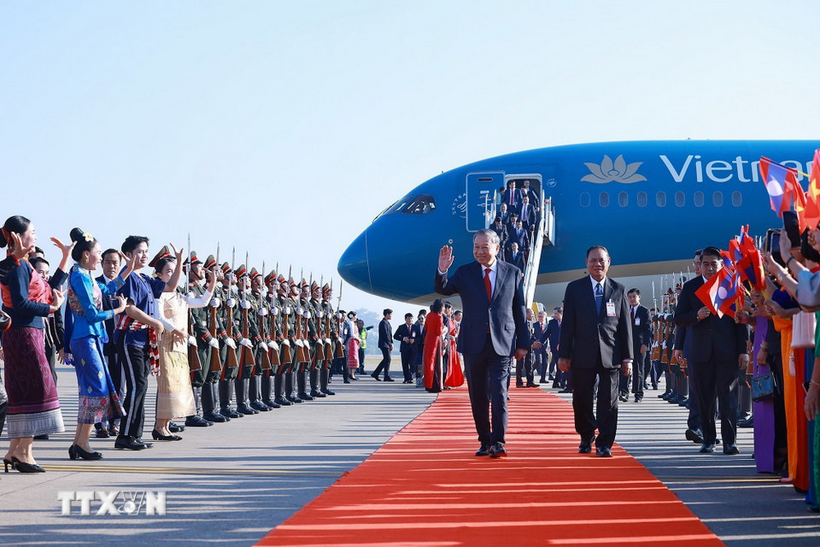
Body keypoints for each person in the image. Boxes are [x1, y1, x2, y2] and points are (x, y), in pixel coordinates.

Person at [434, 228, 528, 458]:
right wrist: (442, 270)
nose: (480, 251)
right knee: (477, 396)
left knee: (498, 393)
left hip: (503, 343)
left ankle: (499, 441)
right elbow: (443, 289)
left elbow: (520, 309)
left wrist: (523, 342)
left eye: (485, 247)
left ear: (497, 247)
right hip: (474, 343)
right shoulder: (465, 272)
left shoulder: (513, 272)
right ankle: (484, 441)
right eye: (476, 247)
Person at [0, 215, 72, 473]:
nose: (37, 236)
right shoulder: (17, 266)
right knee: (36, 390)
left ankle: (14, 451)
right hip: (23, 334)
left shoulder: (22, 265)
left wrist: (65, 258)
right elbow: (19, 304)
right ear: (19, 237)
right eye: (33, 231)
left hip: (27, 334)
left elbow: (49, 288)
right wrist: (51, 308)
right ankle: (23, 453)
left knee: (25, 392)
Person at [64, 228, 134, 460]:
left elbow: (108, 288)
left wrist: (129, 269)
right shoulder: (79, 276)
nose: (100, 257)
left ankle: (79, 443)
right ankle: (82, 443)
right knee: (95, 390)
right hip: (85, 338)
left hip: (91, 338)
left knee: (93, 390)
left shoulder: (86, 276)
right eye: (99, 253)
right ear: (86, 254)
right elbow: (93, 314)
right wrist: (118, 310)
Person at [558, 245, 633, 458]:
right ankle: (586, 435)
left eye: (601, 260)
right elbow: (568, 325)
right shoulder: (574, 288)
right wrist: (564, 354)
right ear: (586, 262)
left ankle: (605, 443)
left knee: (609, 401)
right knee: (581, 399)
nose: (597, 264)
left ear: (609, 262)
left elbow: (625, 327)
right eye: (593, 260)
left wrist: (628, 357)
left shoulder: (619, 289)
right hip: (581, 354)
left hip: (611, 355)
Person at [674, 246, 750, 455]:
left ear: (720, 264)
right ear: (700, 265)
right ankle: (708, 439)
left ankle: (730, 442)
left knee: (728, 399)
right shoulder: (690, 288)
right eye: (704, 264)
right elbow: (679, 318)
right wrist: (696, 315)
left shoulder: (730, 285)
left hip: (727, 352)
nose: (708, 268)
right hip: (700, 352)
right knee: (705, 399)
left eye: (713, 264)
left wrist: (743, 350)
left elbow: (740, 321)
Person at [113, 236, 180, 451]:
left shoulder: (142, 278)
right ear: (128, 255)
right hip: (130, 338)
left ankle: (134, 434)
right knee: (136, 386)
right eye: (140, 251)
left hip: (142, 340)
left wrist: (178, 264)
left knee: (140, 387)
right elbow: (130, 308)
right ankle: (125, 435)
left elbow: (169, 286)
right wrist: (155, 323)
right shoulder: (128, 277)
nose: (144, 255)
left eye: (146, 251)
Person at [151, 248, 215, 441]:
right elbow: (158, 317)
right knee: (167, 385)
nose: (173, 275)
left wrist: (211, 285)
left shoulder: (179, 295)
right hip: (166, 344)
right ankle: (159, 426)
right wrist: (175, 330)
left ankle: (166, 425)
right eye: (168, 271)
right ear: (159, 275)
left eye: (174, 270)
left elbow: (202, 302)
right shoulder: (158, 293)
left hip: (180, 346)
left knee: (177, 384)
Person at [621, 288, 651, 403]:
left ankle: (638, 393)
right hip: (626, 344)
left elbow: (648, 329)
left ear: (639, 297)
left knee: (639, 369)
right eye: (629, 297)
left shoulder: (644, 311)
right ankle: (624, 392)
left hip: (639, 345)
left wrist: (645, 344)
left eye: (634, 297)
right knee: (624, 368)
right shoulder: (624, 310)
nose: (632, 299)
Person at [423, 299, 447, 392]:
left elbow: (426, 328)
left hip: (428, 339)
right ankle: (435, 385)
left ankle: (428, 384)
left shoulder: (429, 315)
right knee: (436, 363)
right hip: (436, 341)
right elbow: (438, 332)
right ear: (441, 307)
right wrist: (445, 329)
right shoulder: (439, 316)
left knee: (428, 362)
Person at [372, 309, 394, 381]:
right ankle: (386, 376)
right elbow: (385, 335)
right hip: (384, 344)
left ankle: (376, 373)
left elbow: (390, 335)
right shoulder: (383, 323)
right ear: (387, 314)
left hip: (387, 344)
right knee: (388, 359)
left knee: (386, 359)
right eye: (390, 314)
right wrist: (390, 343)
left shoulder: (387, 323)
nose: (391, 316)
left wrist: (392, 342)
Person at [394, 313, 416, 383]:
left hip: (413, 348)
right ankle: (406, 378)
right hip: (405, 348)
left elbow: (419, 337)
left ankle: (410, 377)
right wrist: (403, 338)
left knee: (412, 364)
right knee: (405, 364)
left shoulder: (415, 327)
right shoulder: (401, 327)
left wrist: (414, 340)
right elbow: (395, 336)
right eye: (408, 319)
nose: (410, 320)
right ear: (405, 319)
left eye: (411, 319)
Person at [342, 311, 360, 381]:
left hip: (354, 342)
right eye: (355, 316)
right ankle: (351, 374)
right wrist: (358, 339)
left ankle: (352, 373)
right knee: (352, 357)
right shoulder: (350, 323)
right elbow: (352, 334)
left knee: (354, 357)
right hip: (352, 342)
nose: (356, 317)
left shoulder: (352, 323)